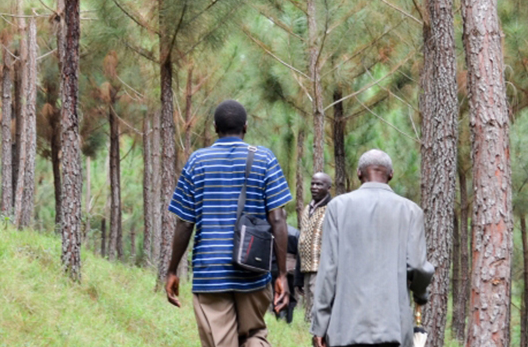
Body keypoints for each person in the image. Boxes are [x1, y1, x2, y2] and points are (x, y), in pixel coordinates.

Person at [165, 100, 292, 347]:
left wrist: (172, 270)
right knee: (255, 336)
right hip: (253, 270)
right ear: (246, 127)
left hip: (211, 273)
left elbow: (185, 223)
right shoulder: (265, 159)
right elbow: (278, 218)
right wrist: (283, 275)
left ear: (215, 127)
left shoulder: (197, 162)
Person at [310, 149, 431, 347]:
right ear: (390, 175)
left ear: (359, 173)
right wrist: (420, 294)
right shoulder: (411, 211)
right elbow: (418, 266)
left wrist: (320, 326)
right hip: (395, 328)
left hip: (345, 328)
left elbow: (328, 270)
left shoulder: (338, 207)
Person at [298, 172, 332, 323]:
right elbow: (302, 239)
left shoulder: (332, 209)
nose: (315, 187)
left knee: (319, 302)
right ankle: (311, 334)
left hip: (322, 267)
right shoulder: (307, 209)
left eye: (319, 184)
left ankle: (320, 334)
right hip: (306, 266)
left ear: (328, 187)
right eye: (313, 183)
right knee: (309, 301)